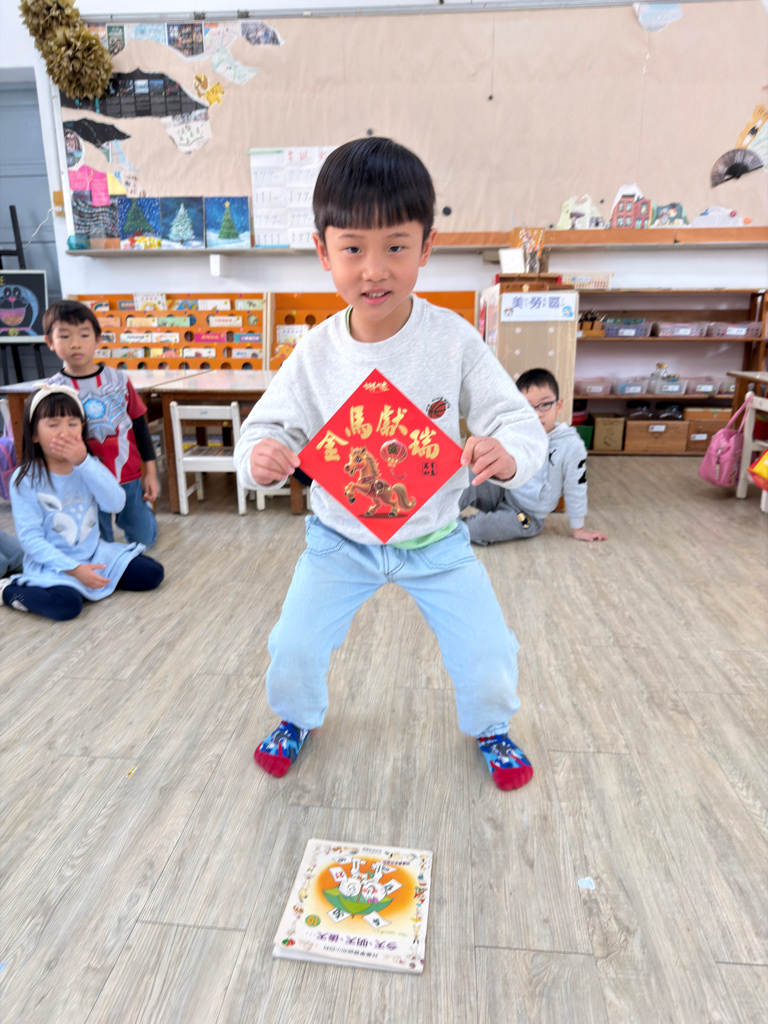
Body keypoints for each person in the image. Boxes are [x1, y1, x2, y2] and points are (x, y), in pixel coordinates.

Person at [233, 137, 547, 791]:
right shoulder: (314, 353)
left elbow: (516, 421)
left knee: (489, 650)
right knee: (293, 647)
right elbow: (263, 427)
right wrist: (258, 458)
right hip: (338, 541)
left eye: (396, 247)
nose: (374, 270)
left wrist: (509, 453)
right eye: (353, 249)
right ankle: (295, 718)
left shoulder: (453, 339)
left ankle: (491, 726)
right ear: (323, 252)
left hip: (436, 540)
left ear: (427, 247)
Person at [0, 385, 164, 621]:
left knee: (152, 574)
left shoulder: (89, 465)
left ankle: (87, 584)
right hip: (52, 565)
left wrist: (85, 462)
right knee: (66, 606)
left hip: (94, 554)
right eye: (53, 425)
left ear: (82, 428)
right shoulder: (25, 479)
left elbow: (116, 504)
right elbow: (31, 540)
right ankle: (8, 591)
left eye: (72, 424)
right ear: (34, 434)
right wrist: (75, 570)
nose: (64, 432)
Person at [43, 299, 159, 549]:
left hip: (127, 474)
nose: (75, 343)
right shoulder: (52, 390)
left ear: (97, 340)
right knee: (97, 546)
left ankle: (145, 513)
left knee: (145, 540)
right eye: (65, 336)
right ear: (50, 342)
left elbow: (140, 427)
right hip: (84, 481)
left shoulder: (119, 381)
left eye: (84, 335)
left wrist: (150, 472)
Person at [460, 368, 607, 545]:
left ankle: (450, 529)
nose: (538, 413)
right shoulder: (517, 432)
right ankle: (440, 517)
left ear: (559, 405)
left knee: (479, 529)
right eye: (528, 407)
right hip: (503, 491)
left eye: (545, 404)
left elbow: (576, 488)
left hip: (526, 515)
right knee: (466, 477)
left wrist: (578, 529)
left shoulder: (571, 446)